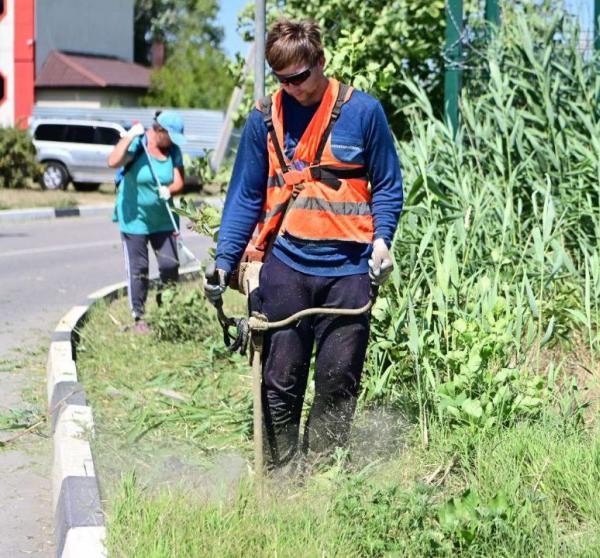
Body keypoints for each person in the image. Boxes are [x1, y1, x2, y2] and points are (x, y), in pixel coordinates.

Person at [205, 19, 404, 470]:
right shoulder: (263, 119)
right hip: (286, 267)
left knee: (338, 381)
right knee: (279, 379)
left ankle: (323, 478)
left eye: (300, 77)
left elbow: (388, 186)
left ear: (321, 62)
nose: (292, 88)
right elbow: (245, 197)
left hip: (350, 271)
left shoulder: (364, 113)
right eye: (282, 79)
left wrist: (383, 242)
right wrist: (223, 262)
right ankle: (280, 478)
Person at [108, 110, 187, 333]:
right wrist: (130, 136)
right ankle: (139, 318)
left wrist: (169, 189)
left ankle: (166, 311)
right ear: (159, 131)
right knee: (139, 269)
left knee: (170, 265)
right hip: (135, 218)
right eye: (170, 136)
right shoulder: (138, 145)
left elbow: (179, 181)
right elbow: (113, 161)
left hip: (164, 219)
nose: (172, 142)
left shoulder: (174, 151)